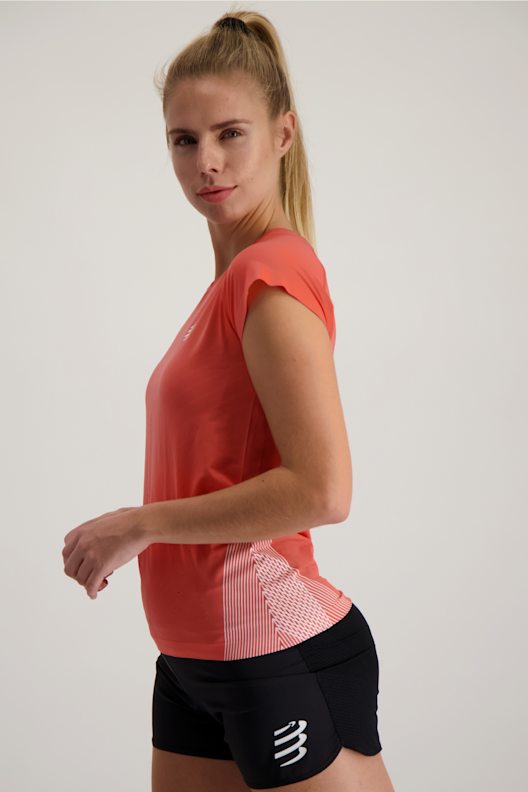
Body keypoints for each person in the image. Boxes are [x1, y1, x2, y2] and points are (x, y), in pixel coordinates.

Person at [62, 9, 396, 792]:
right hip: (193, 661)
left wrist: (140, 524)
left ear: (283, 134)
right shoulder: (226, 287)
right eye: (184, 140)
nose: (206, 160)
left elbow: (323, 491)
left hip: (272, 650)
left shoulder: (269, 278)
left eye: (230, 133)